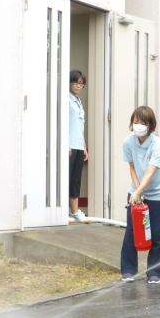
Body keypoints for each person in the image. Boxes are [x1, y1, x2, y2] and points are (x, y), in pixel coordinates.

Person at [120, 106, 160, 285]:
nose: (139, 125)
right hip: (136, 191)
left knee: (157, 234)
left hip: (158, 194)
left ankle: (154, 272)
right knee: (132, 231)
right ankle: (128, 270)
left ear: (151, 125)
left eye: (143, 122)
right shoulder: (128, 142)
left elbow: (150, 172)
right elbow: (132, 166)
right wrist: (136, 190)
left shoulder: (157, 145)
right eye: (136, 122)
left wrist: (140, 190)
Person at [68, 70, 88, 222]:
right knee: (66, 178)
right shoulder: (66, 100)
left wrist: (84, 147)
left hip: (79, 146)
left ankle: (74, 211)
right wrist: (65, 144)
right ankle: (65, 210)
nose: (78, 86)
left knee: (76, 179)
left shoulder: (78, 101)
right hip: (69, 146)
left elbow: (79, 127)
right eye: (75, 82)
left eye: (81, 83)